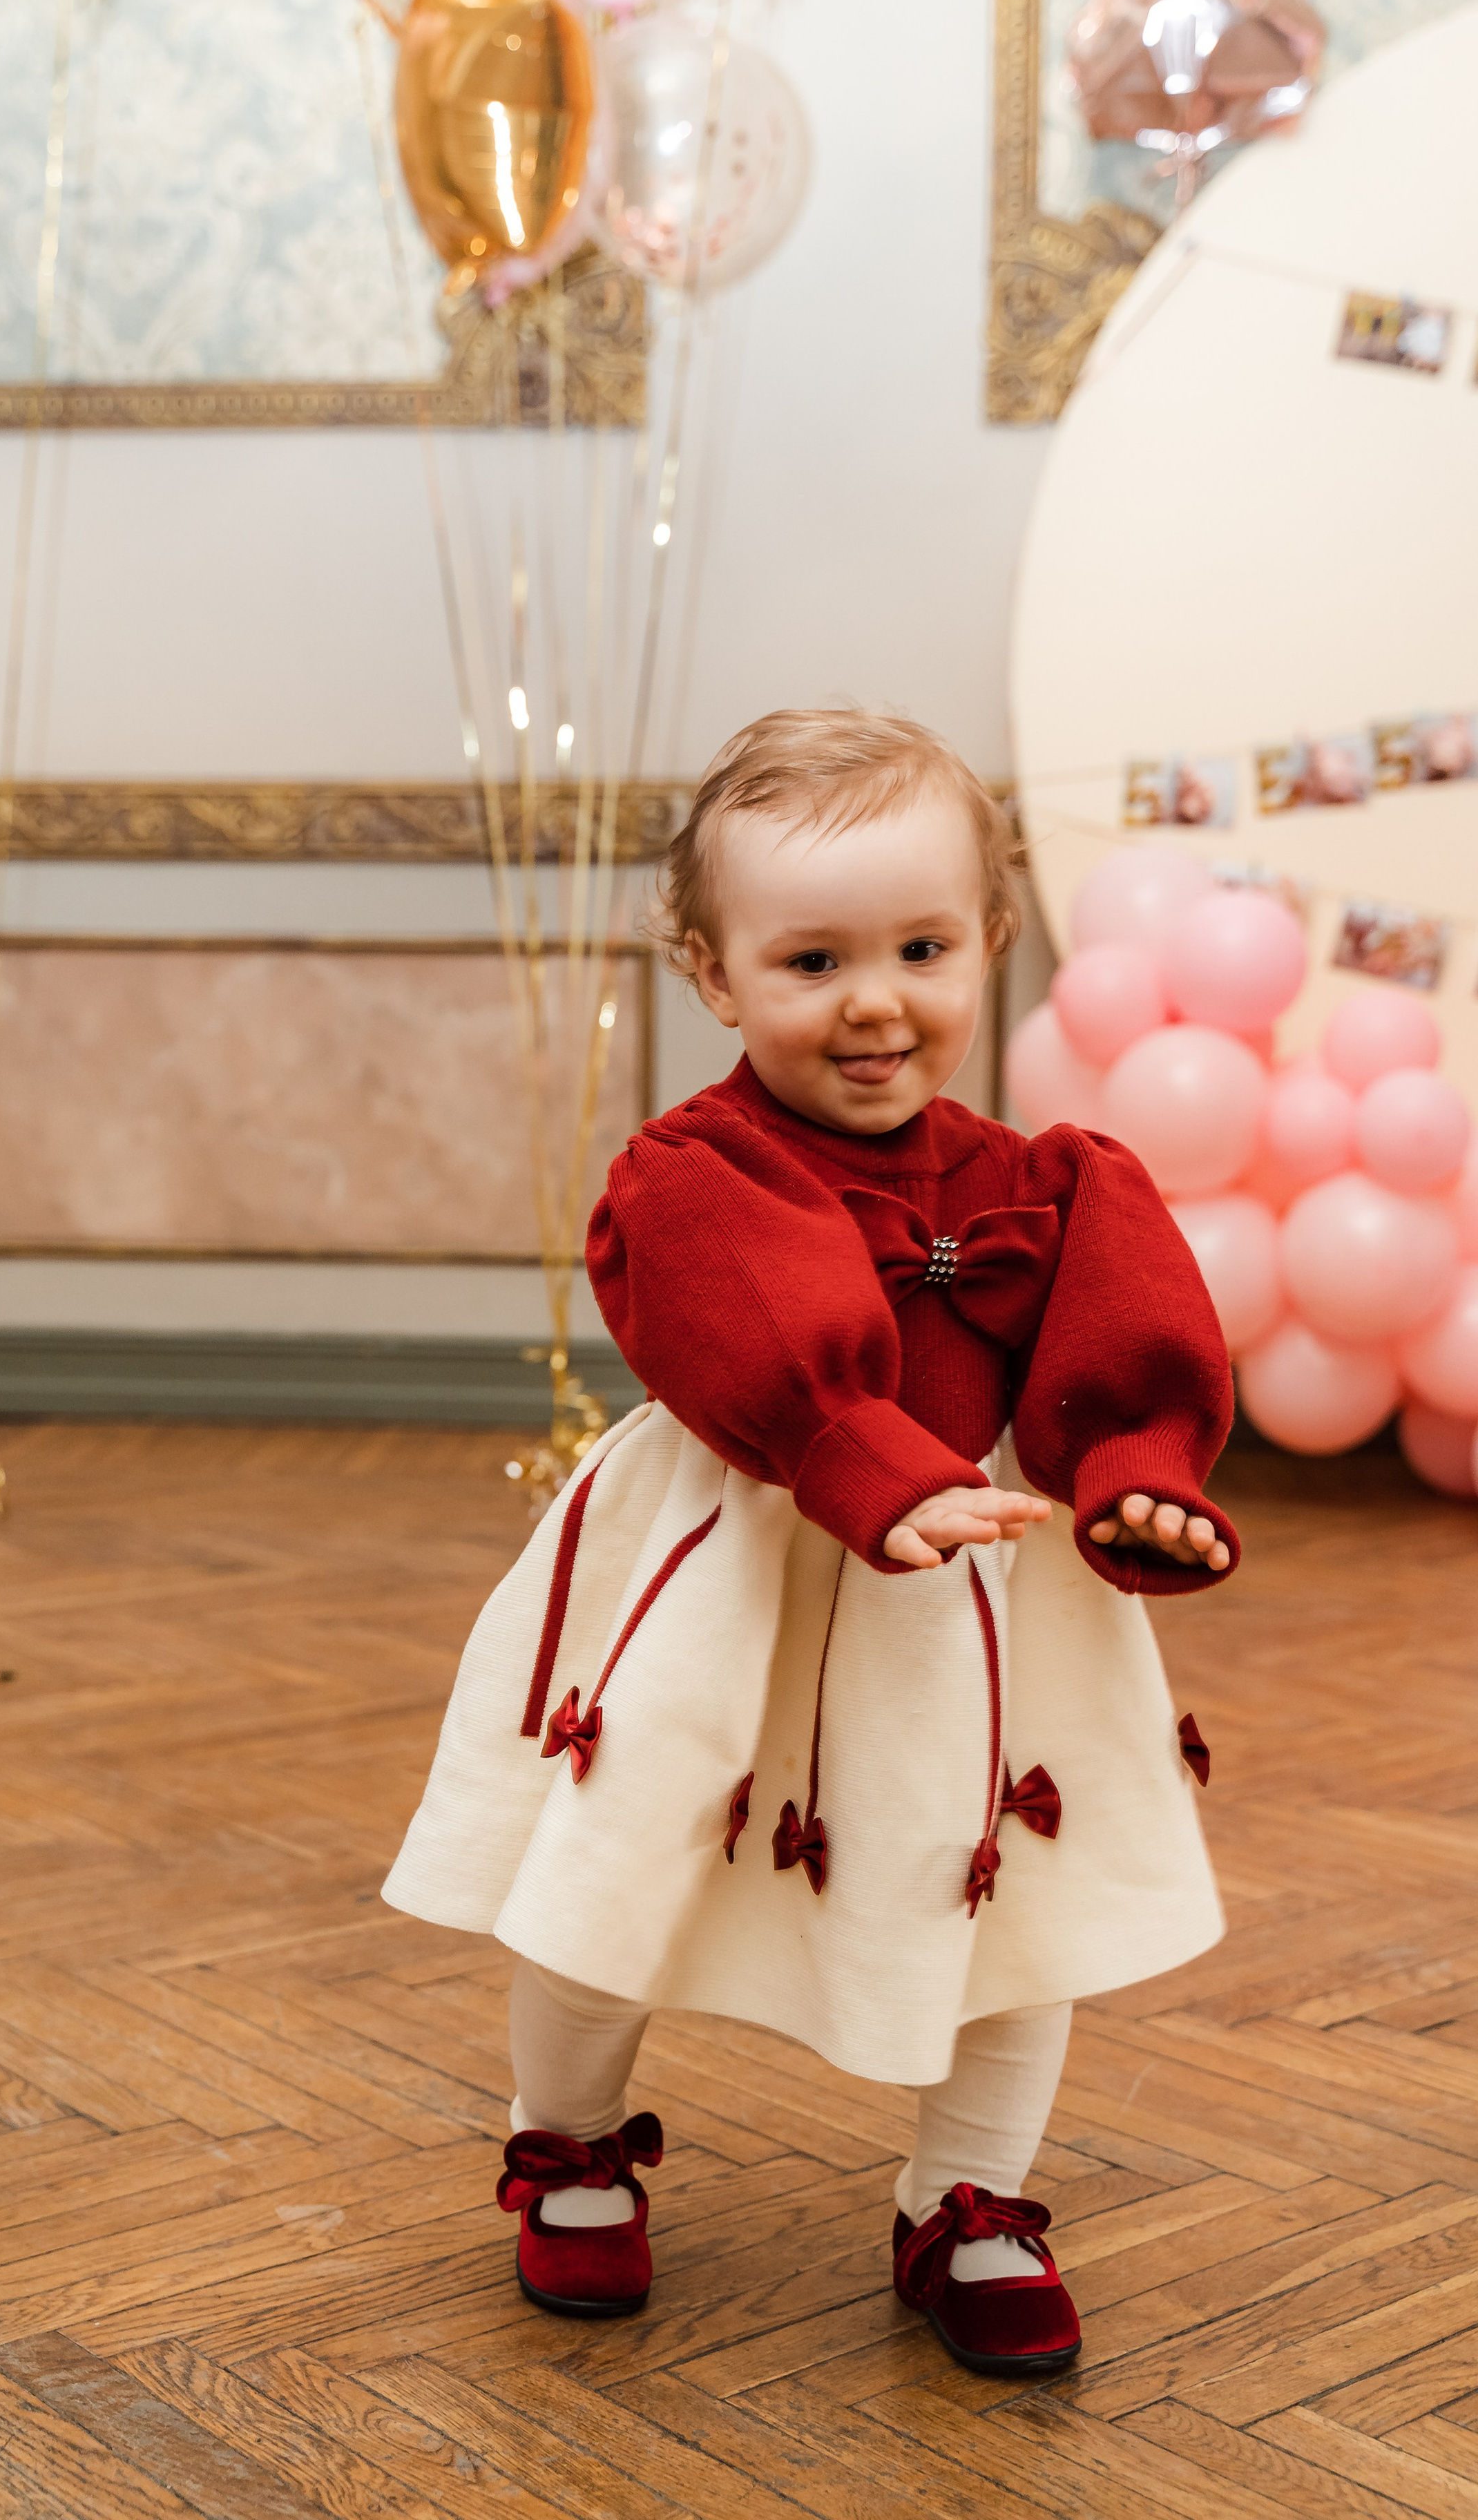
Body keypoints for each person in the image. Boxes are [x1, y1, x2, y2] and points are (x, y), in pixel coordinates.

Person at [383, 708, 1236, 2377]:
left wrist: (1135, 1475)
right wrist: (860, 1456)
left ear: (989, 936)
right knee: (616, 1866)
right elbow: (724, 1321)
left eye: (919, 947)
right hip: (730, 1562)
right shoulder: (688, 1169)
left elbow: (1115, 1336)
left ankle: (969, 2197)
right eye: (810, 958)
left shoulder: (1046, 1181)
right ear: (712, 973)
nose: (872, 999)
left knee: (1007, 1891)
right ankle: (564, 2141)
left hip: (970, 1592)